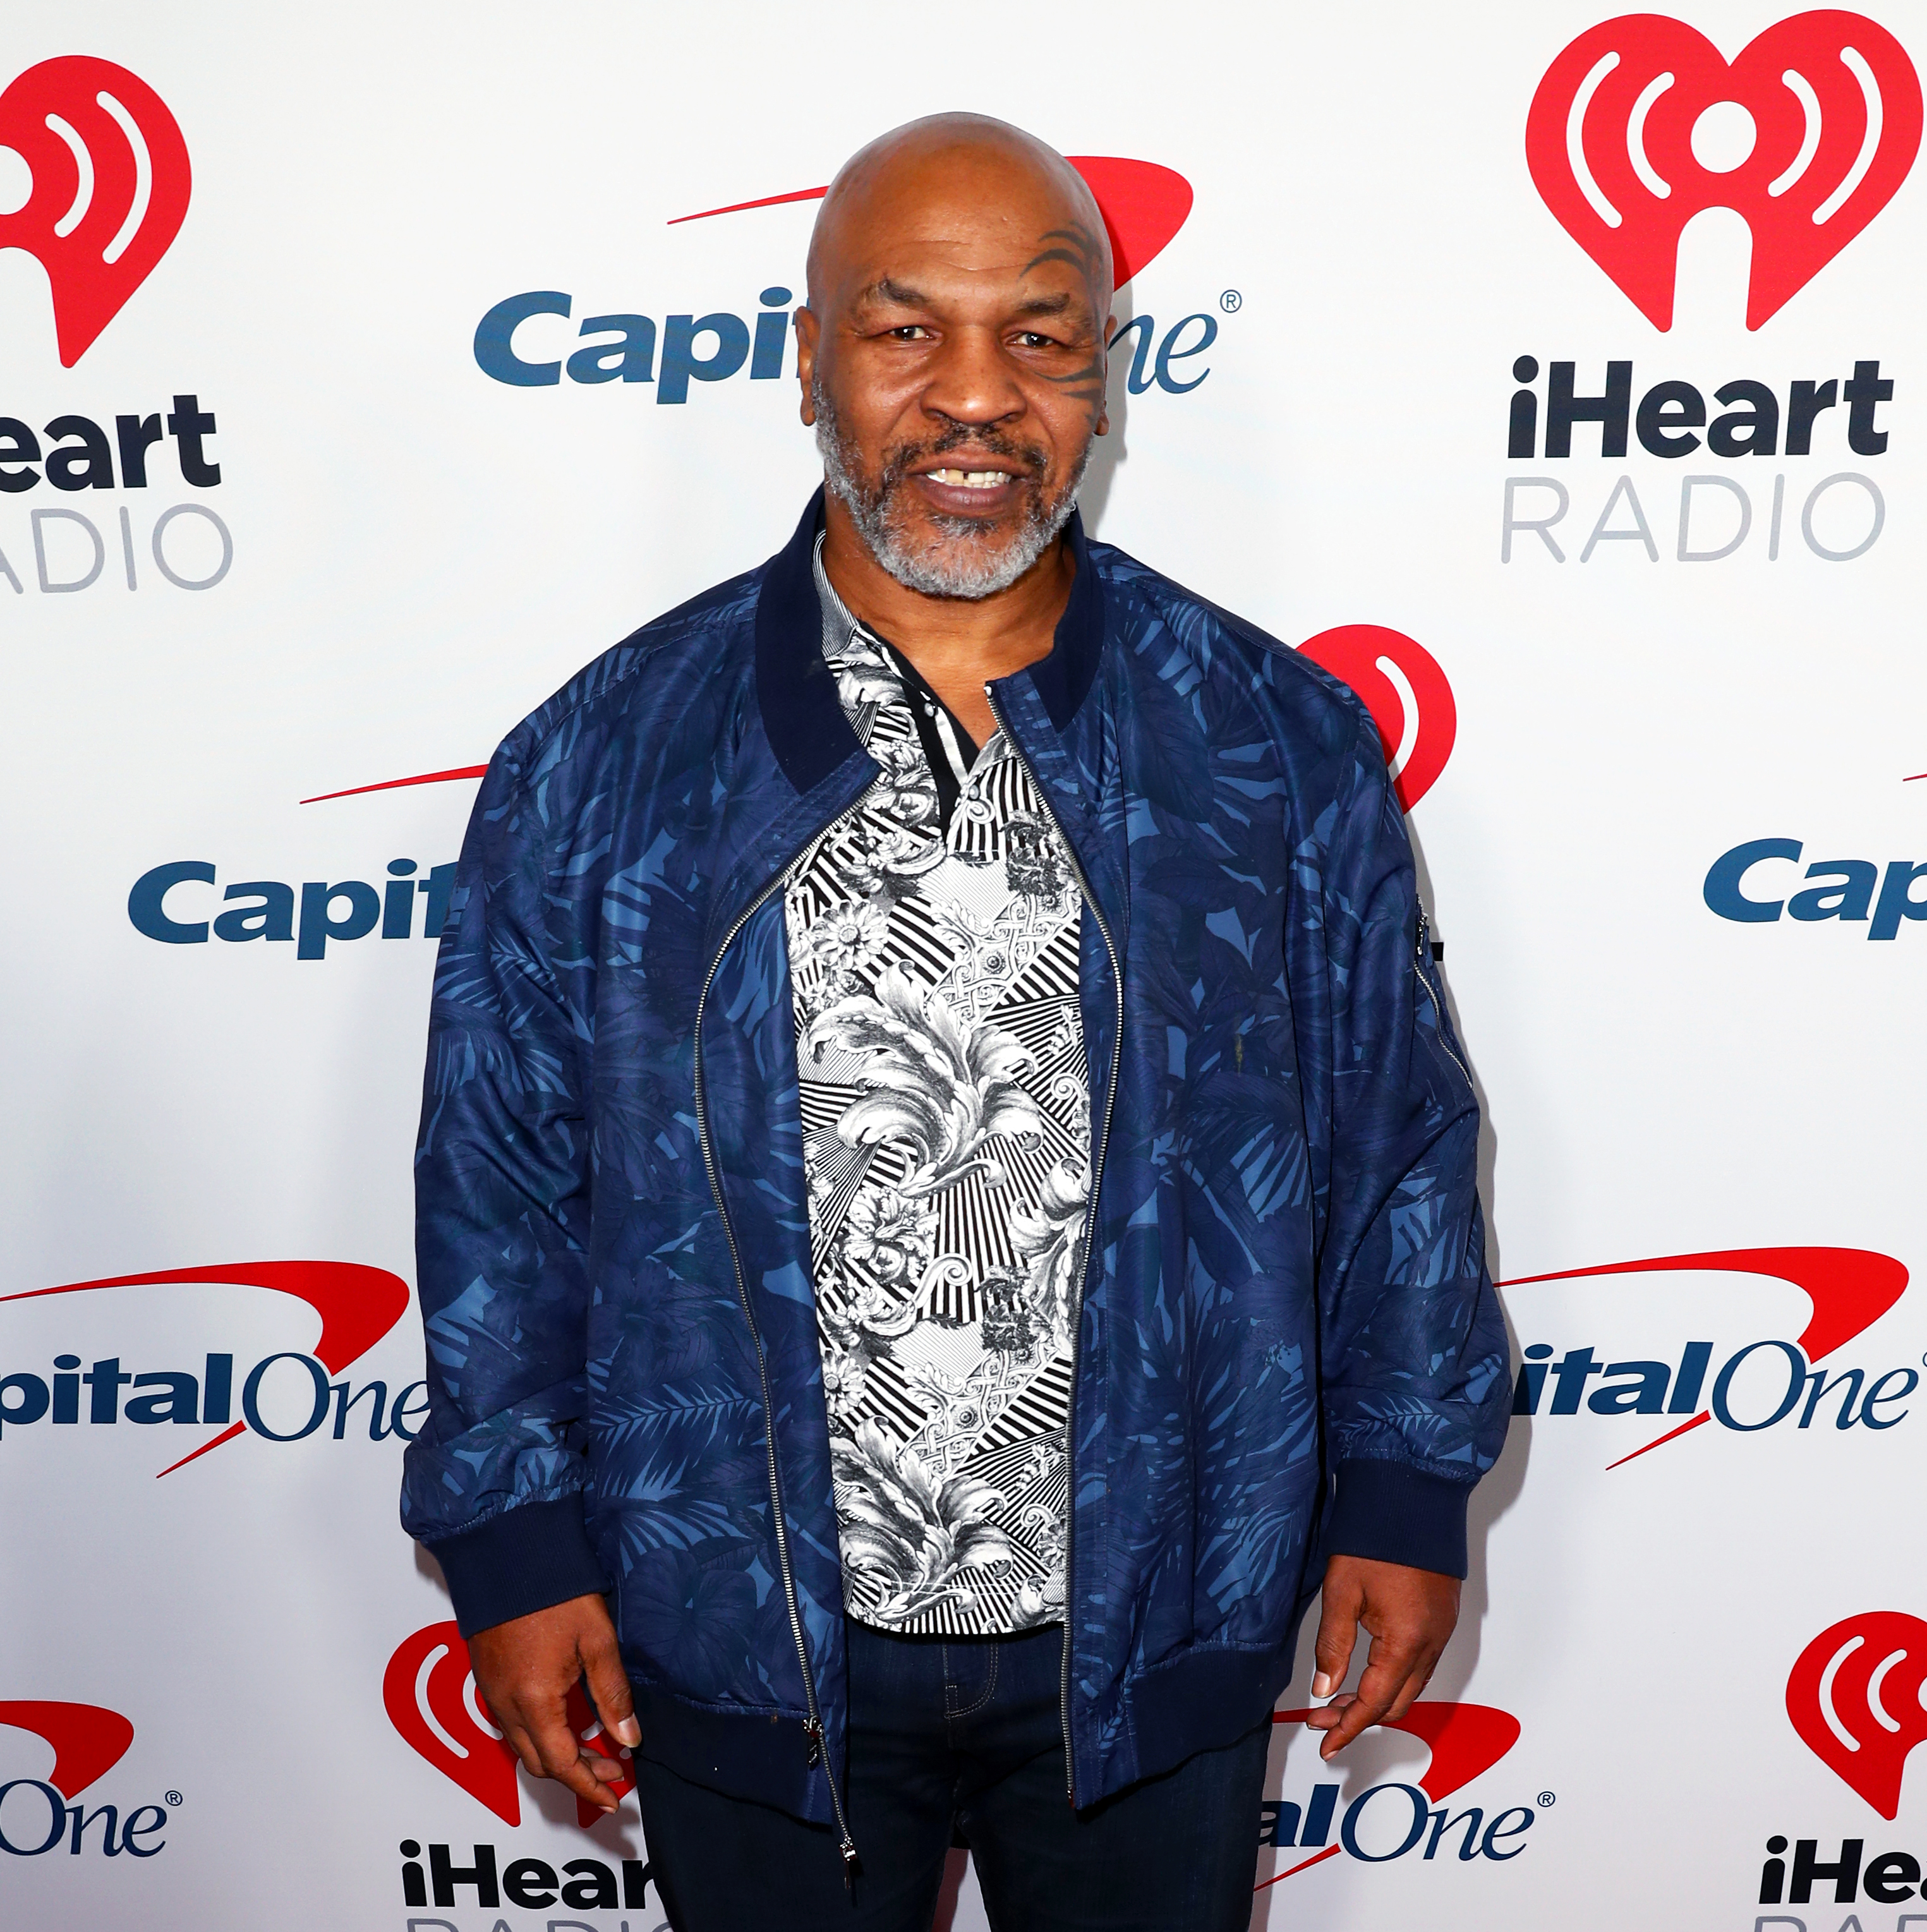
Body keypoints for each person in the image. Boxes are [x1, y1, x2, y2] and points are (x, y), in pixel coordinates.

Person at [401, 111, 1507, 1932]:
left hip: (1157, 1615)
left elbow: (1394, 1137)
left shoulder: (1267, 742)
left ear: (1103, 378)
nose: (974, 397)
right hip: (742, 1635)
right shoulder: (605, 760)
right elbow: (502, 1178)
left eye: (1040, 335)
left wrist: (1400, 1482)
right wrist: (516, 1538)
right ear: (809, 359)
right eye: (905, 329)